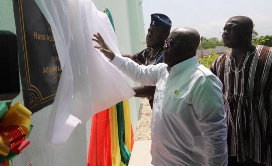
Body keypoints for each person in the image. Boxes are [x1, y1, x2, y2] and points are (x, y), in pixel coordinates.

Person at [93, 27, 228, 165]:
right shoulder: (164, 70)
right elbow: (139, 72)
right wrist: (112, 56)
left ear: (187, 47)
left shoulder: (202, 80)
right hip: (161, 160)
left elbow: (215, 135)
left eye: (169, 43)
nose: (164, 48)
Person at [210, 16, 272, 166]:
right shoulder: (220, 62)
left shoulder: (268, 56)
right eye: (224, 30)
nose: (225, 33)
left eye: (231, 29)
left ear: (247, 32)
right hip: (230, 140)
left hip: (262, 137)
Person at [123, 13, 171, 109]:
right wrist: (111, 57)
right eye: (149, 31)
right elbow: (132, 59)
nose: (149, 34)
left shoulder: (167, 56)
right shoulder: (148, 52)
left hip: (166, 110)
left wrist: (125, 92)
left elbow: (153, 89)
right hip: (156, 108)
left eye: (154, 31)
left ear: (165, 35)